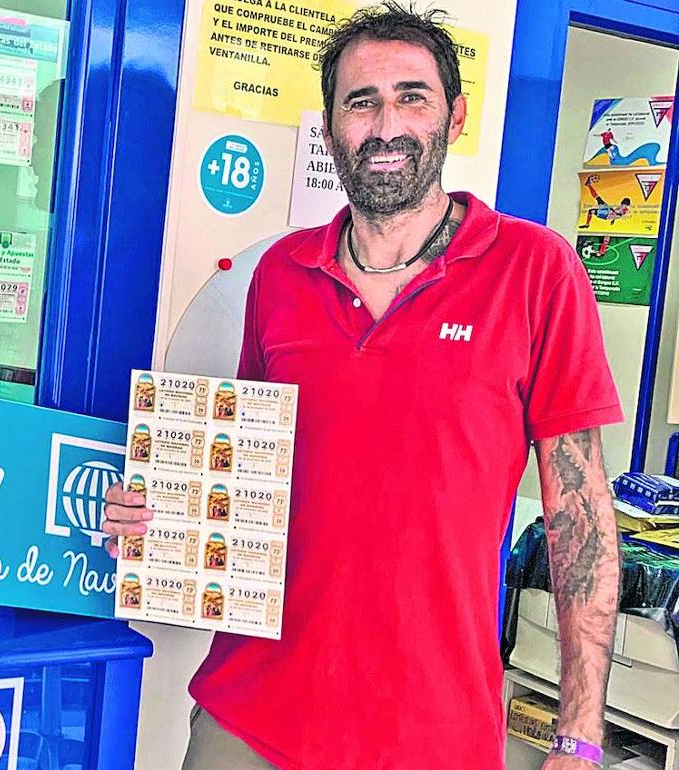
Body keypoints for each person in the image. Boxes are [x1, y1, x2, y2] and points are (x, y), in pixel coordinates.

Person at [104, 4, 622, 769]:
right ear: (330, 129)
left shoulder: (535, 271)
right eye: (361, 102)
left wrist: (578, 735)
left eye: (412, 97)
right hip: (248, 719)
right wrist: (161, 513)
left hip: (431, 733)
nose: (386, 125)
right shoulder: (280, 275)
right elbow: (248, 475)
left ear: (454, 117)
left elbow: (580, 516)